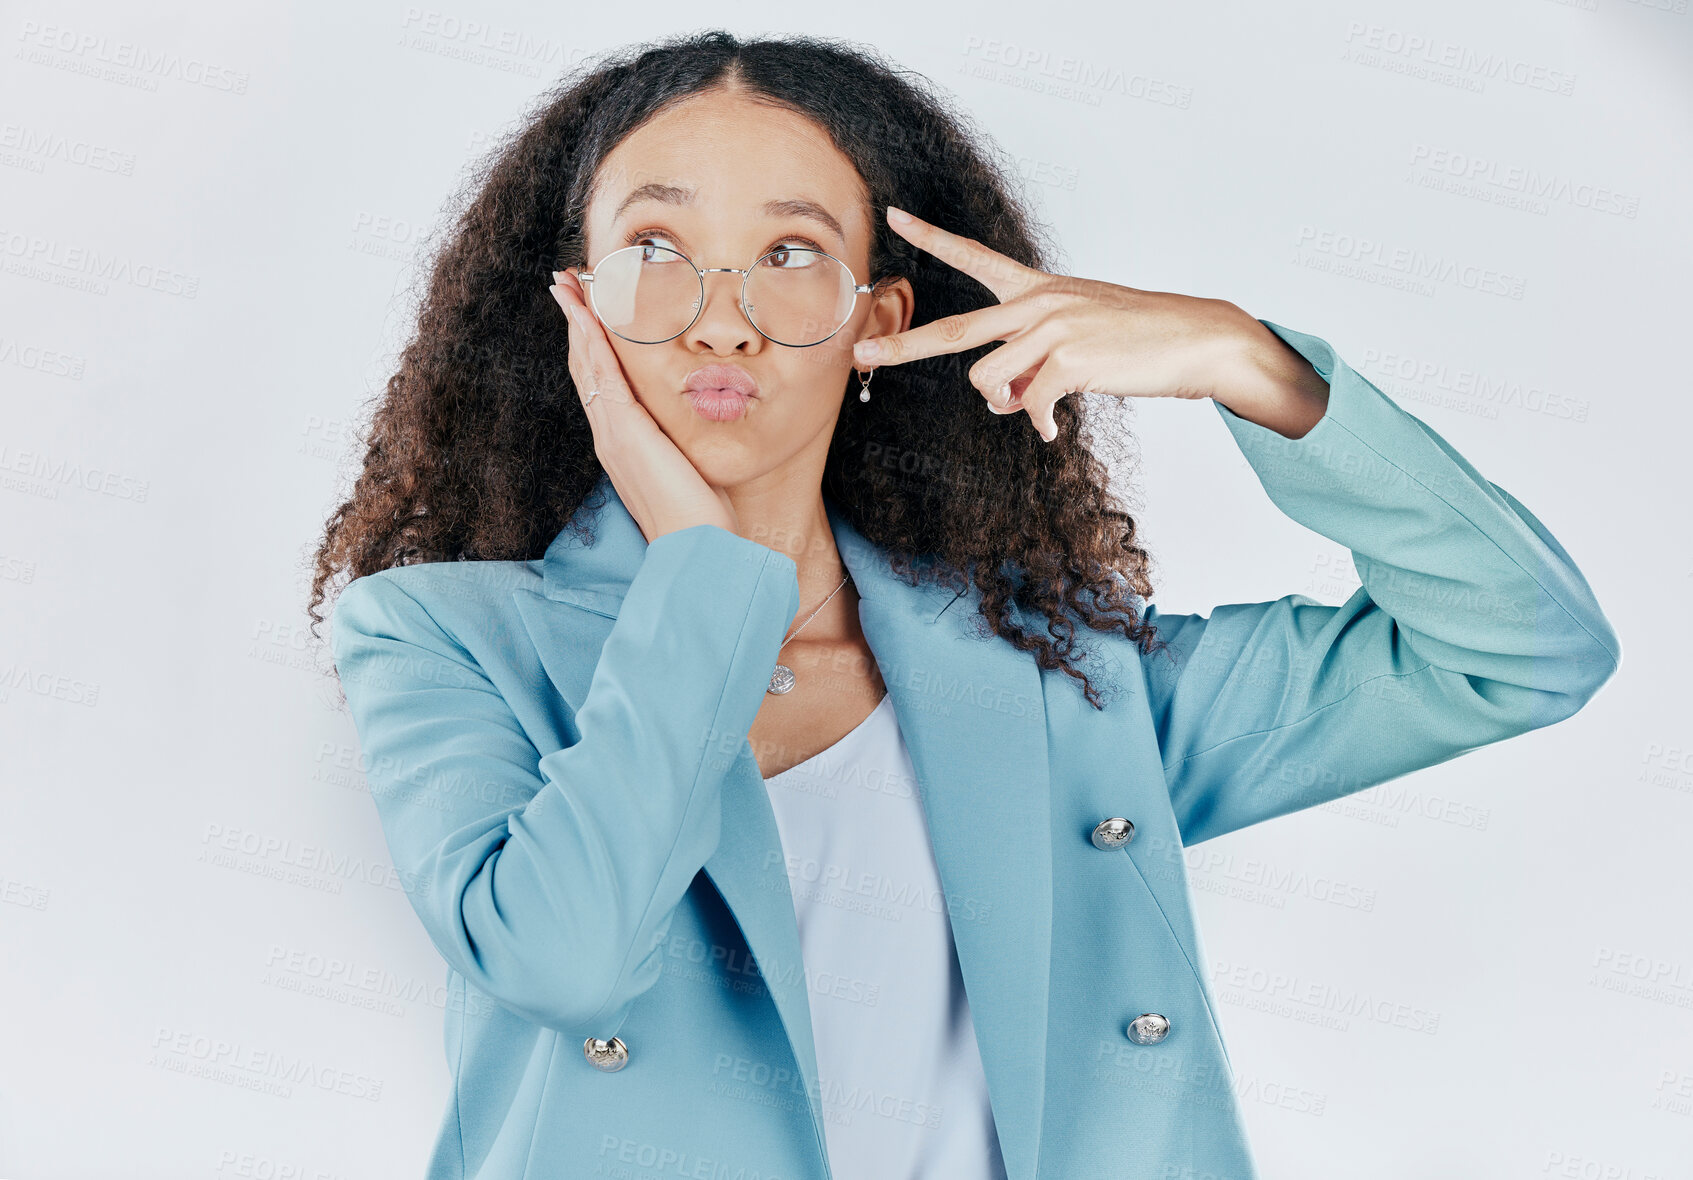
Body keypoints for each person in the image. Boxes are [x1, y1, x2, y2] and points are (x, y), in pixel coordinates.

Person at [310, 30, 1620, 1180]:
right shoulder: (439, 635)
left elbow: (1517, 650)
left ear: (875, 316)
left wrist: (1250, 363)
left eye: (788, 252)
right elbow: (562, 962)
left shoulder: (1058, 674)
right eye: (656, 248)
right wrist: (703, 570)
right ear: (576, 304)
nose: (721, 320)